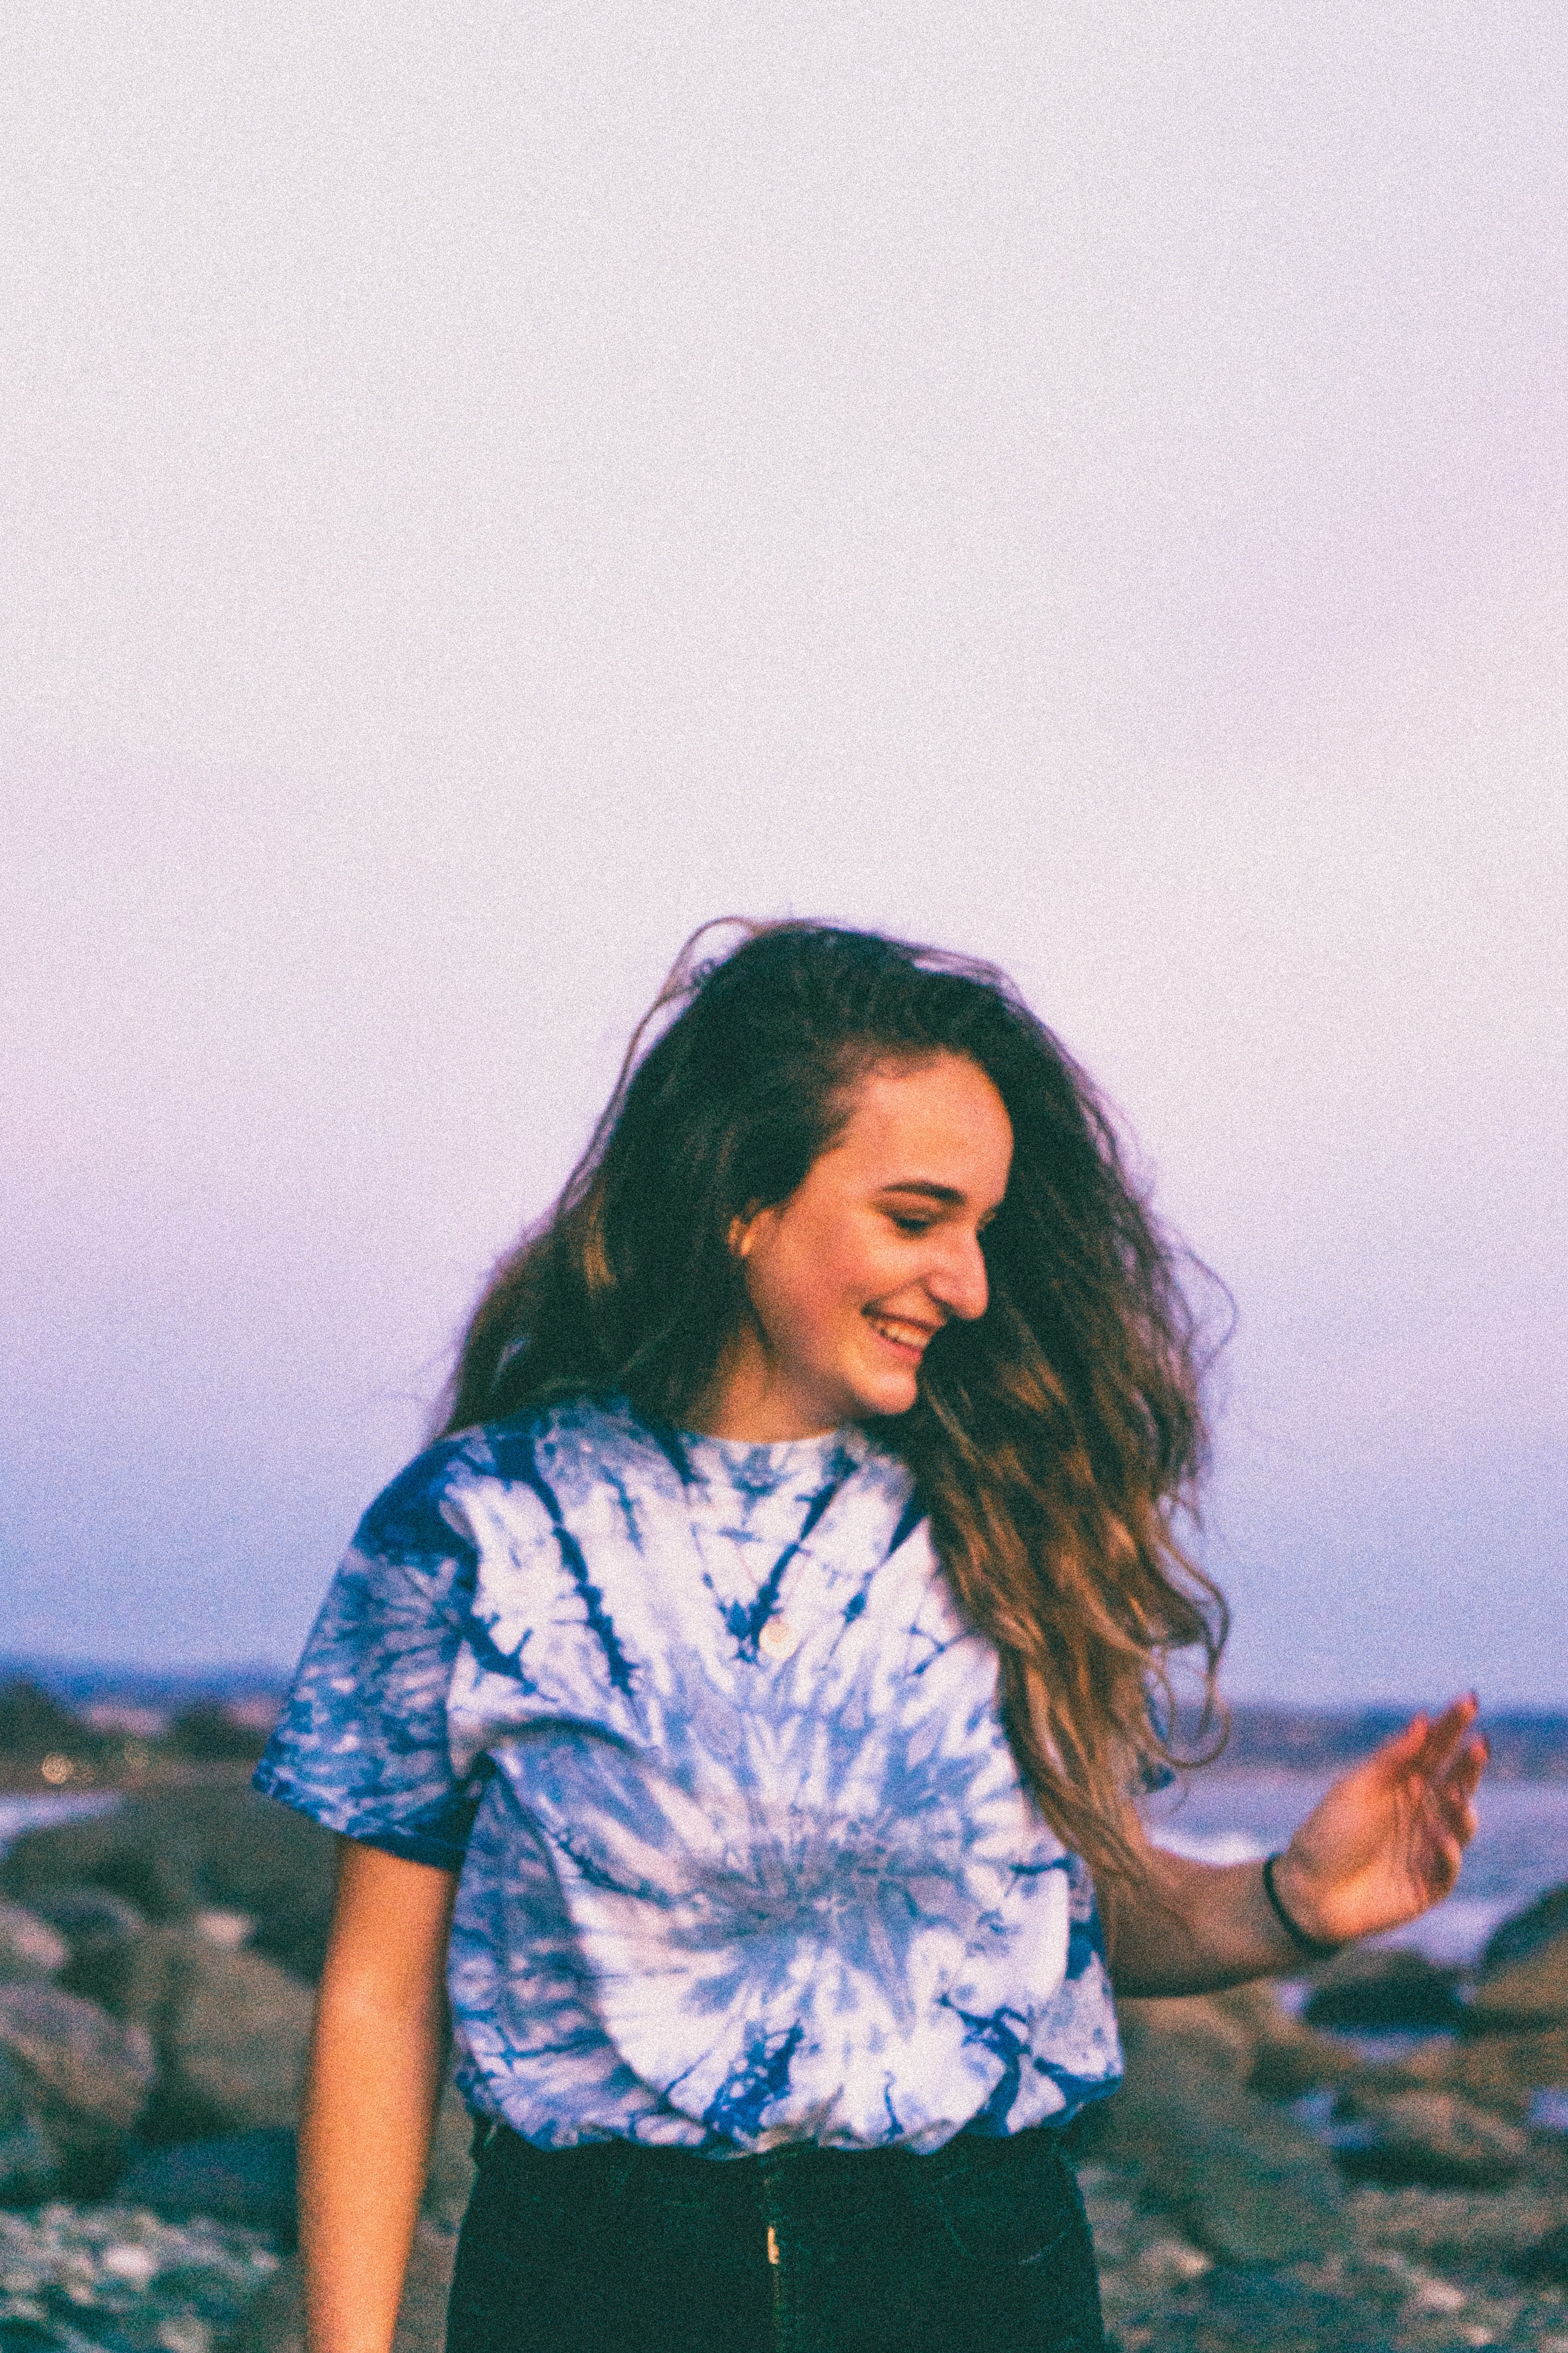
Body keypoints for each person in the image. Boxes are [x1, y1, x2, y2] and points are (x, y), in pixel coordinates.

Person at [255, 920, 1486, 2353]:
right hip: (589, 2290)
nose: (965, 1281)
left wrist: (1288, 1901)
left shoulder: (1016, 1521)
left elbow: (1067, 1920)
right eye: (916, 1219)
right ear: (742, 1201)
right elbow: (375, 2002)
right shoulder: (477, 1528)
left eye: (981, 1230)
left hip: (977, 2284)